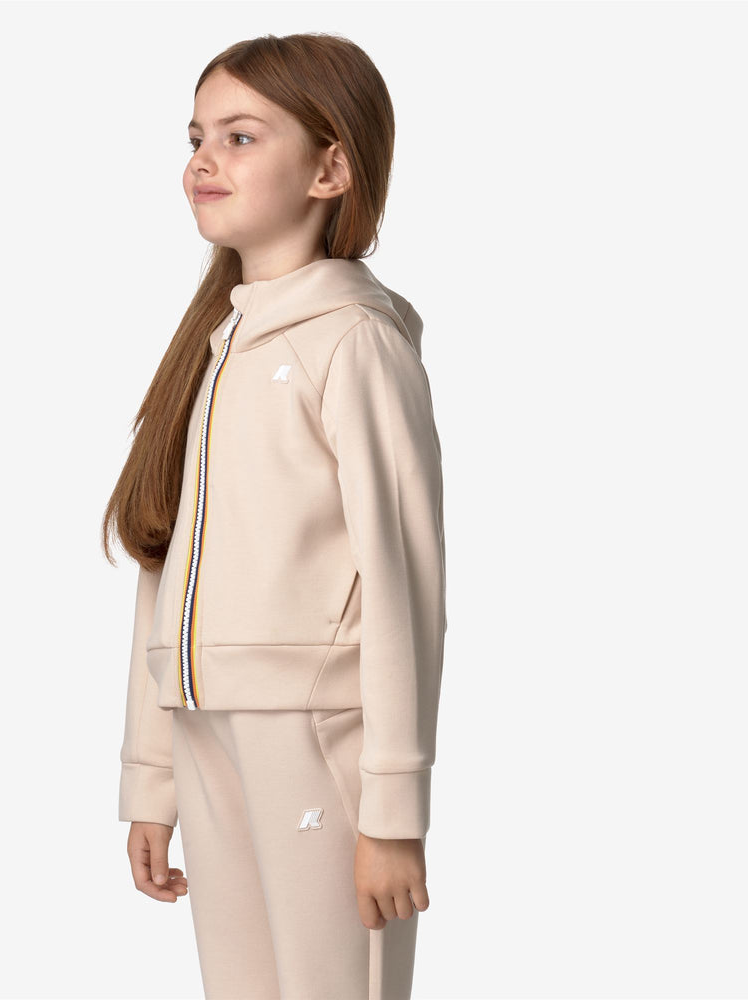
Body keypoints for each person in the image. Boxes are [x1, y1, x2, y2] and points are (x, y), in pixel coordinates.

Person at [102, 31, 447, 1000]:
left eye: (241, 136)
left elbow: (405, 587)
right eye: (196, 137)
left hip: (316, 738)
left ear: (330, 168)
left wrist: (393, 810)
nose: (203, 159)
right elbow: (162, 568)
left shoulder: (355, 344)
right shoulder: (214, 351)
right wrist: (151, 780)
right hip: (206, 731)